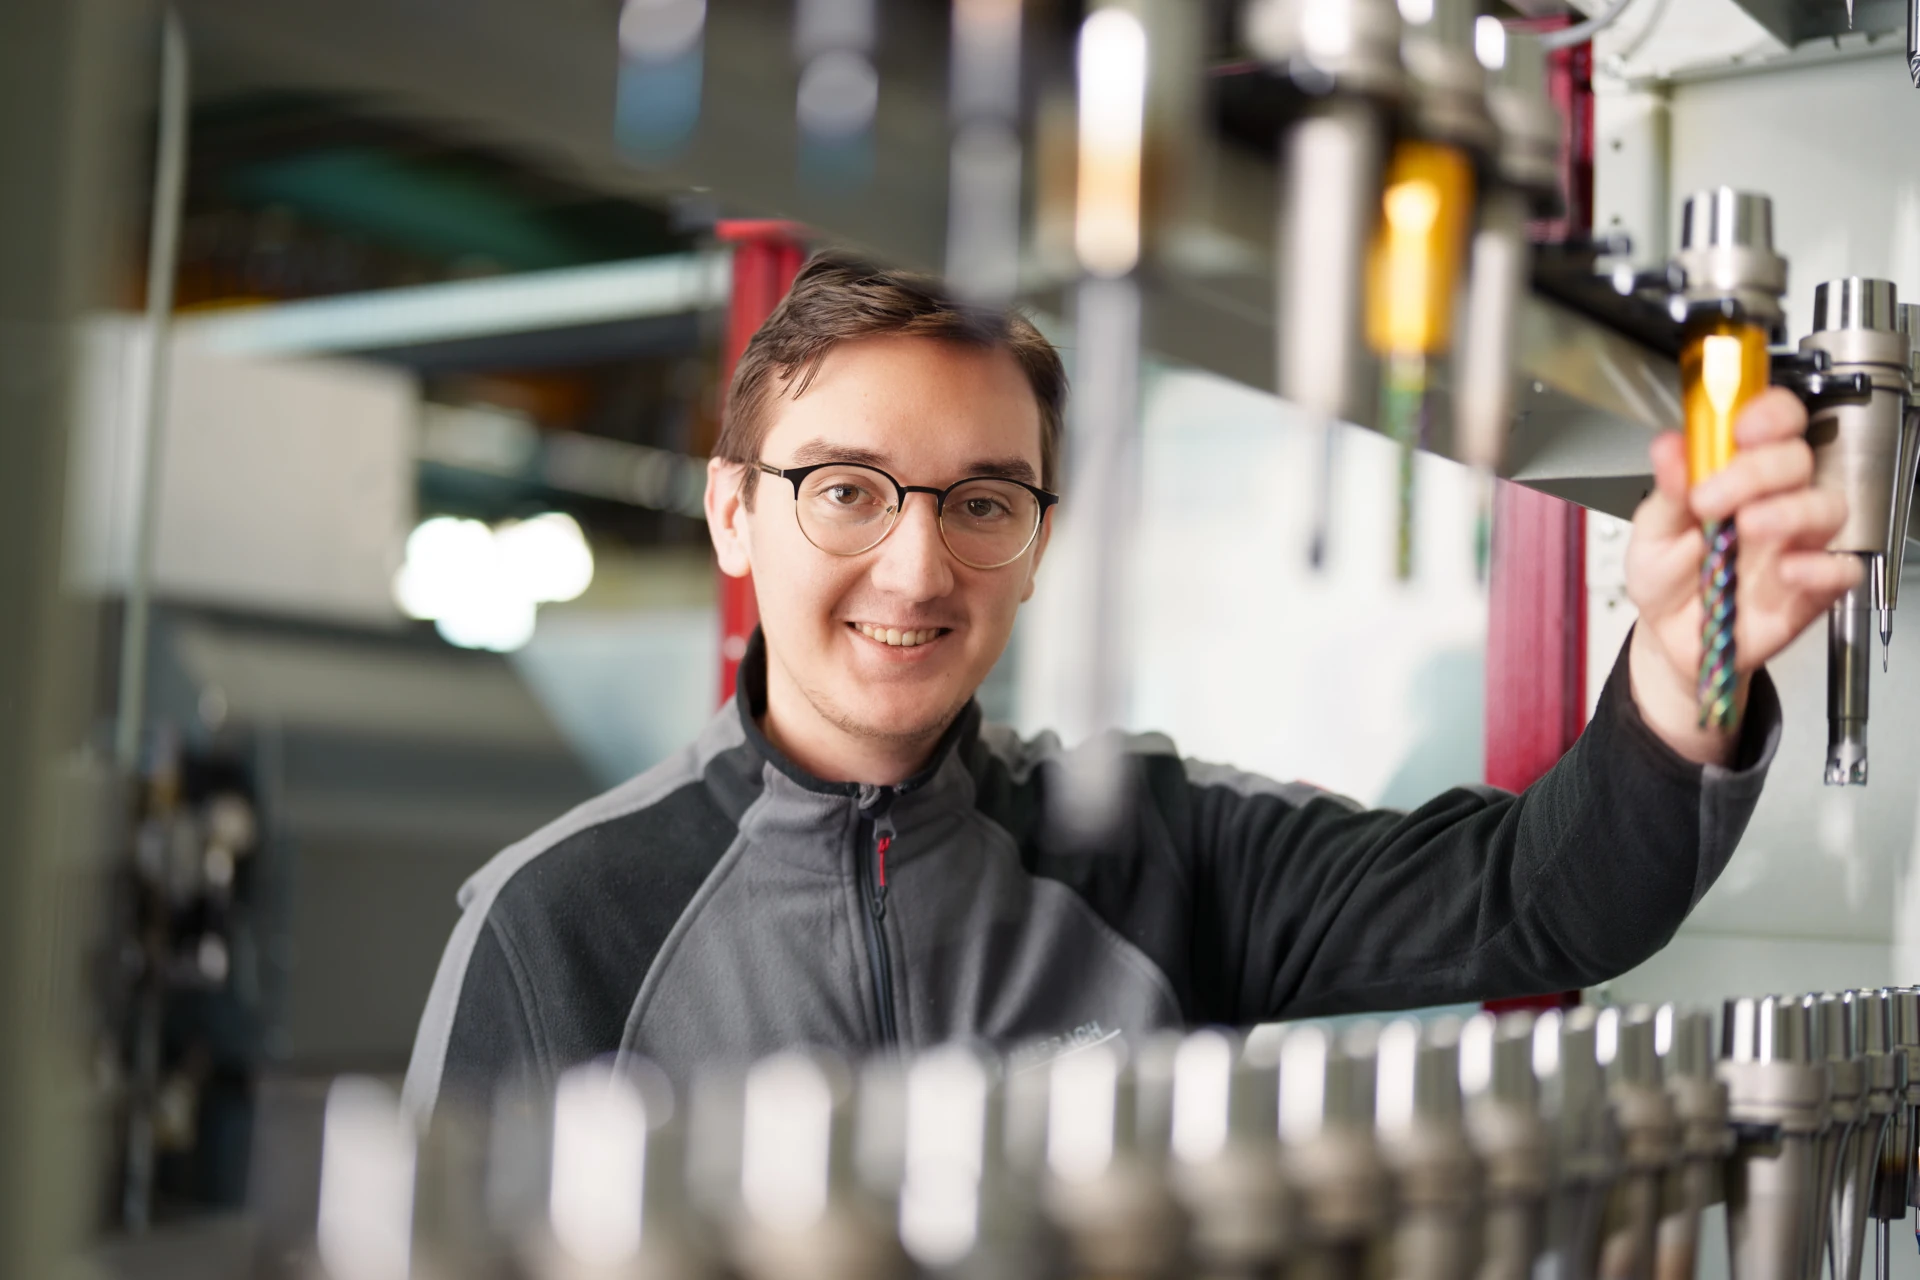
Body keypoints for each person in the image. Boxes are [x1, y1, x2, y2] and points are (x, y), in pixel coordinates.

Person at [403, 254, 1856, 1115]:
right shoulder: (556, 928)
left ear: (1038, 544)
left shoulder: (1154, 848)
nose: (916, 573)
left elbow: (1547, 899)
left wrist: (1686, 663)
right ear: (735, 514)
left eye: (982, 504)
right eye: (847, 491)